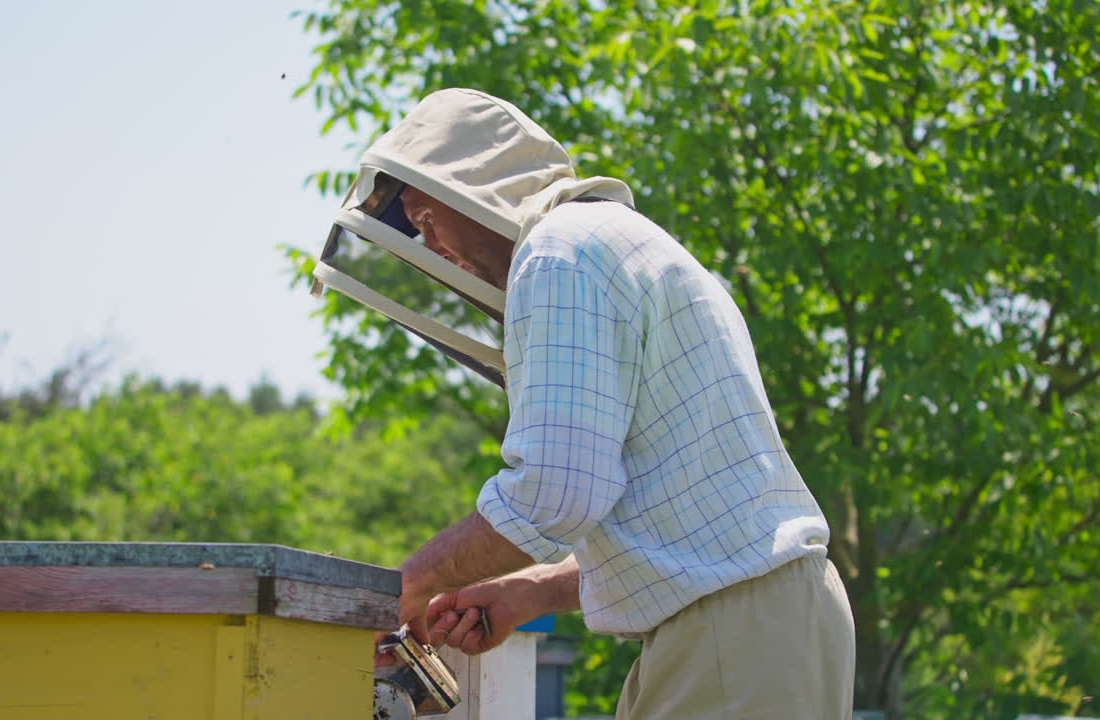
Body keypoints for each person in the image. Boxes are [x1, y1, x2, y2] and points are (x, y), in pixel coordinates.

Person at [335, 88, 855, 718]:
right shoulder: (613, 242)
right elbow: (684, 519)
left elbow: (555, 491)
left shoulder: (557, 254)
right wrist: (529, 592)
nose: (433, 249)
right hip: (763, 626)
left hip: (731, 635)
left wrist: (408, 585)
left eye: (424, 220)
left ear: (470, 188)